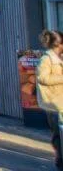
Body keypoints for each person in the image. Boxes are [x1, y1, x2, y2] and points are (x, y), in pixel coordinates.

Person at [36, 29, 63, 170]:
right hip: (53, 103)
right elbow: (43, 78)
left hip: (61, 102)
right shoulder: (46, 59)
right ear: (58, 44)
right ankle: (60, 160)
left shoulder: (59, 57)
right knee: (58, 135)